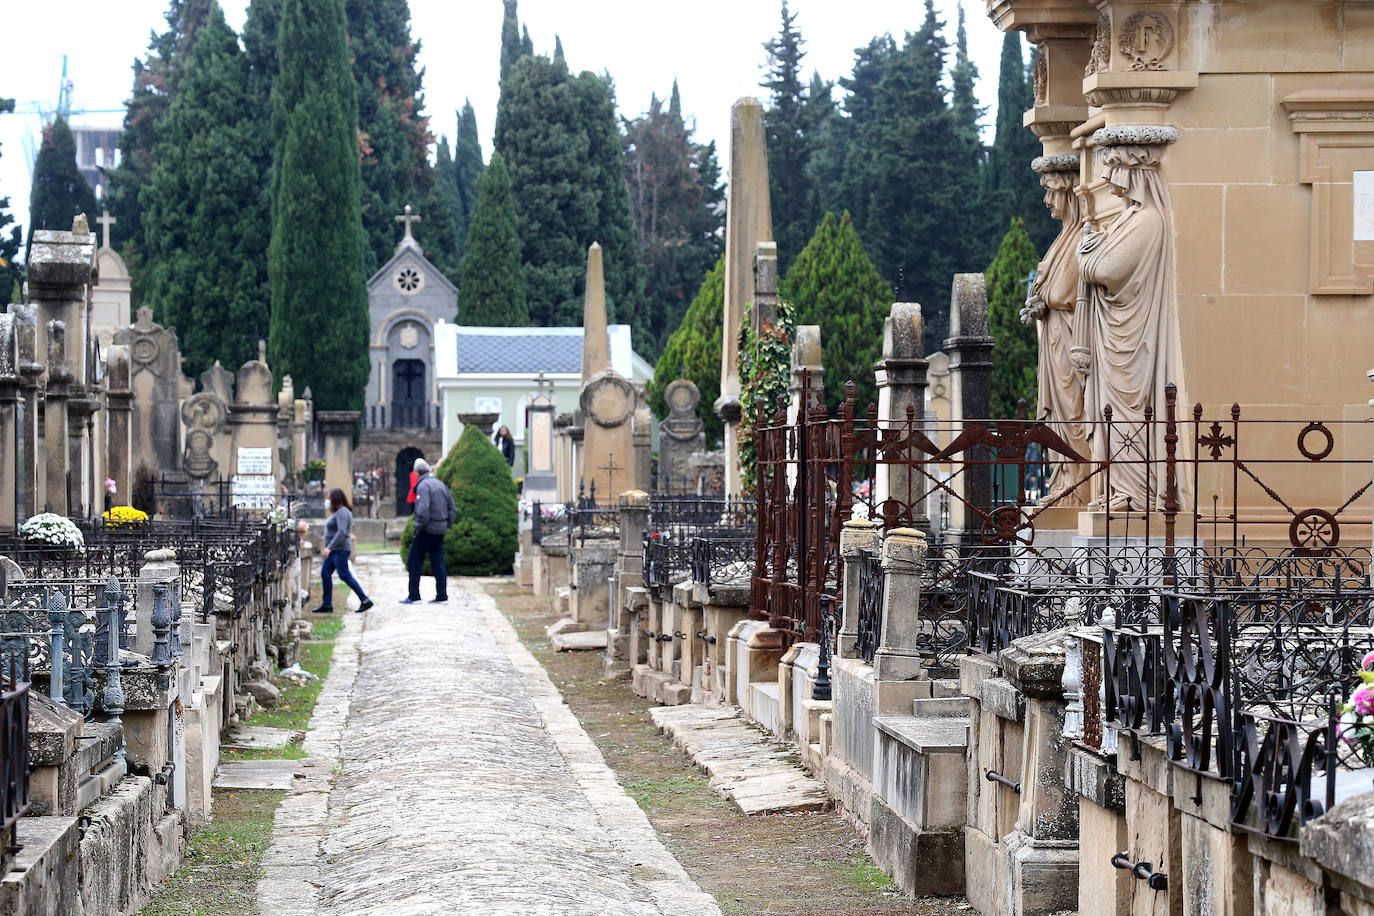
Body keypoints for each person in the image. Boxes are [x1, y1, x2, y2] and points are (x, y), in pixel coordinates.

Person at [404, 457, 455, 605]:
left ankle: (414, 595)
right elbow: (452, 508)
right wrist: (446, 525)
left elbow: (423, 509)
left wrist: (419, 526)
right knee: (438, 561)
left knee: (414, 561)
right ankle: (442, 595)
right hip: (440, 529)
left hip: (426, 529)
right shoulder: (441, 485)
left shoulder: (423, 486)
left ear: (417, 473)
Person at [315, 488, 373, 614]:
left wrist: (329, 547)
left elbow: (341, 532)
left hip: (339, 550)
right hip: (333, 550)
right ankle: (327, 604)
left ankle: (365, 600)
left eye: (329, 498)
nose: (327, 501)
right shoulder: (337, 512)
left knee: (344, 575)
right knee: (325, 574)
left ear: (335, 499)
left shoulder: (342, 512)